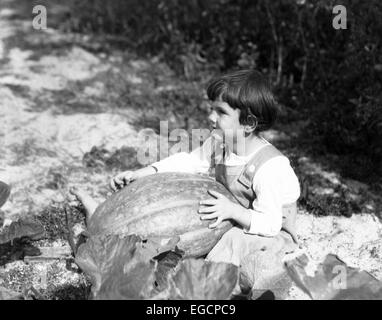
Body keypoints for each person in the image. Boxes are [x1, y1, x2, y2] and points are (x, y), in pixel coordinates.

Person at [70, 69, 300, 297]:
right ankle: (101, 222)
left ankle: (269, 274)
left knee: (224, 260)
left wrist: (234, 211)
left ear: (248, 123)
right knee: (157, 204)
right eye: (211, 109)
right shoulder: (220, 141)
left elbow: (269, 223)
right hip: (231, 213)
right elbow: (191, 162)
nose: (211, 118)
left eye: (221, 112)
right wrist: (147, 172)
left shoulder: (270, 167)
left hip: (265, 229)